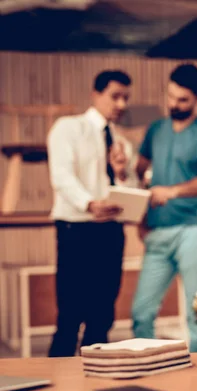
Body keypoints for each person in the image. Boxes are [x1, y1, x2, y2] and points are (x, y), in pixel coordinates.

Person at [132, 63, 197, 352]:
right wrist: (139, 214)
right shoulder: (156, 129)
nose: (173, 104)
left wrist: (172, 191)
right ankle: (146, 370)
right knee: (141, 313)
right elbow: (139, 171)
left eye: (182, 100)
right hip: (158, 231)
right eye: (170, 96)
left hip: (194, 231)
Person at [47, 70, 137, 357]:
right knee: (70, 314)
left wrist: (122, 173)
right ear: (95, 94)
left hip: (110, 232)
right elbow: (61, 176)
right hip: (77, 229)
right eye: (115, 96)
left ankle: (95, 384)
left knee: (102, 316)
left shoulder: (123, 142)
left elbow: (131, 188)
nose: (121, 104)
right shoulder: (68, 128)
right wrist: (89, 203)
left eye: (125, 98)